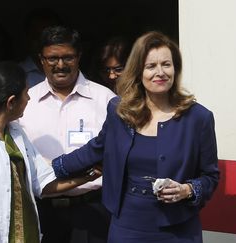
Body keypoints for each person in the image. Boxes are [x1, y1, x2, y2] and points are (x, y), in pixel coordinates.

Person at [52, 31, 220, 243]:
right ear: (138, 71)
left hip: (178, 228)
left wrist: (187, 190)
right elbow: (95, 149)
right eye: (151, 66)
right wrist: (52, 169)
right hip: (127, 226)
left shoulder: (198, 118)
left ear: (175, 69)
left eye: (166, 64)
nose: (160, 72)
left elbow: (210, 176)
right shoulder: (120, 111)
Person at [0, 61, 100, 243]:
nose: (29, 99)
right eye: (26, 93)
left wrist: (89, 175)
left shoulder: (15, 133)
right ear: (11, 102)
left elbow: (42, 183)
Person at [18, 26, 116, 243]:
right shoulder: (25, 103)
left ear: (79, 57)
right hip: (41, 212)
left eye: (67, 57)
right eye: (53, 58)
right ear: (41, 60)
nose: (60, 65)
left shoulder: (105, 100)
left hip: (92, 211)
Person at [19, 8, 62, 88]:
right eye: (36, 36)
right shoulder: (15, 75)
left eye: (49, 38)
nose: (43, 43)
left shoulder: (76, 78)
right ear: (27, 38)